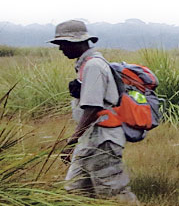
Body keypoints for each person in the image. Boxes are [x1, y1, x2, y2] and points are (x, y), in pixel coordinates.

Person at [51, 20, 138, 203]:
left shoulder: (93, 66)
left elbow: (93, 108)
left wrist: (72, 141)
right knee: (75, 192)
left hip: (102, 141)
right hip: (91, 140)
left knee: (115, 193)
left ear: (78, 43)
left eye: (63, 44)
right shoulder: (88, 65)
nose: (60, 49)